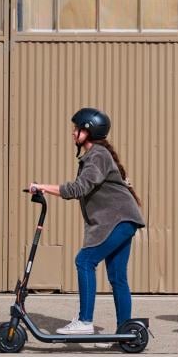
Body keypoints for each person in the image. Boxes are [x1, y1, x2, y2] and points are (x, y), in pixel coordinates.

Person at [29, 108, 145, 337]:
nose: (73, 133)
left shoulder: (97, 155)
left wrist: (43, 187)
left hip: (117, 221)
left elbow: (79, 188)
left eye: (77, 129)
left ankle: (84, 321)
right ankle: (126, 331)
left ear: (89, 131)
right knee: (117, 276)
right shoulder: (97, 155)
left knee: (84, 261)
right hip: (124, 220)